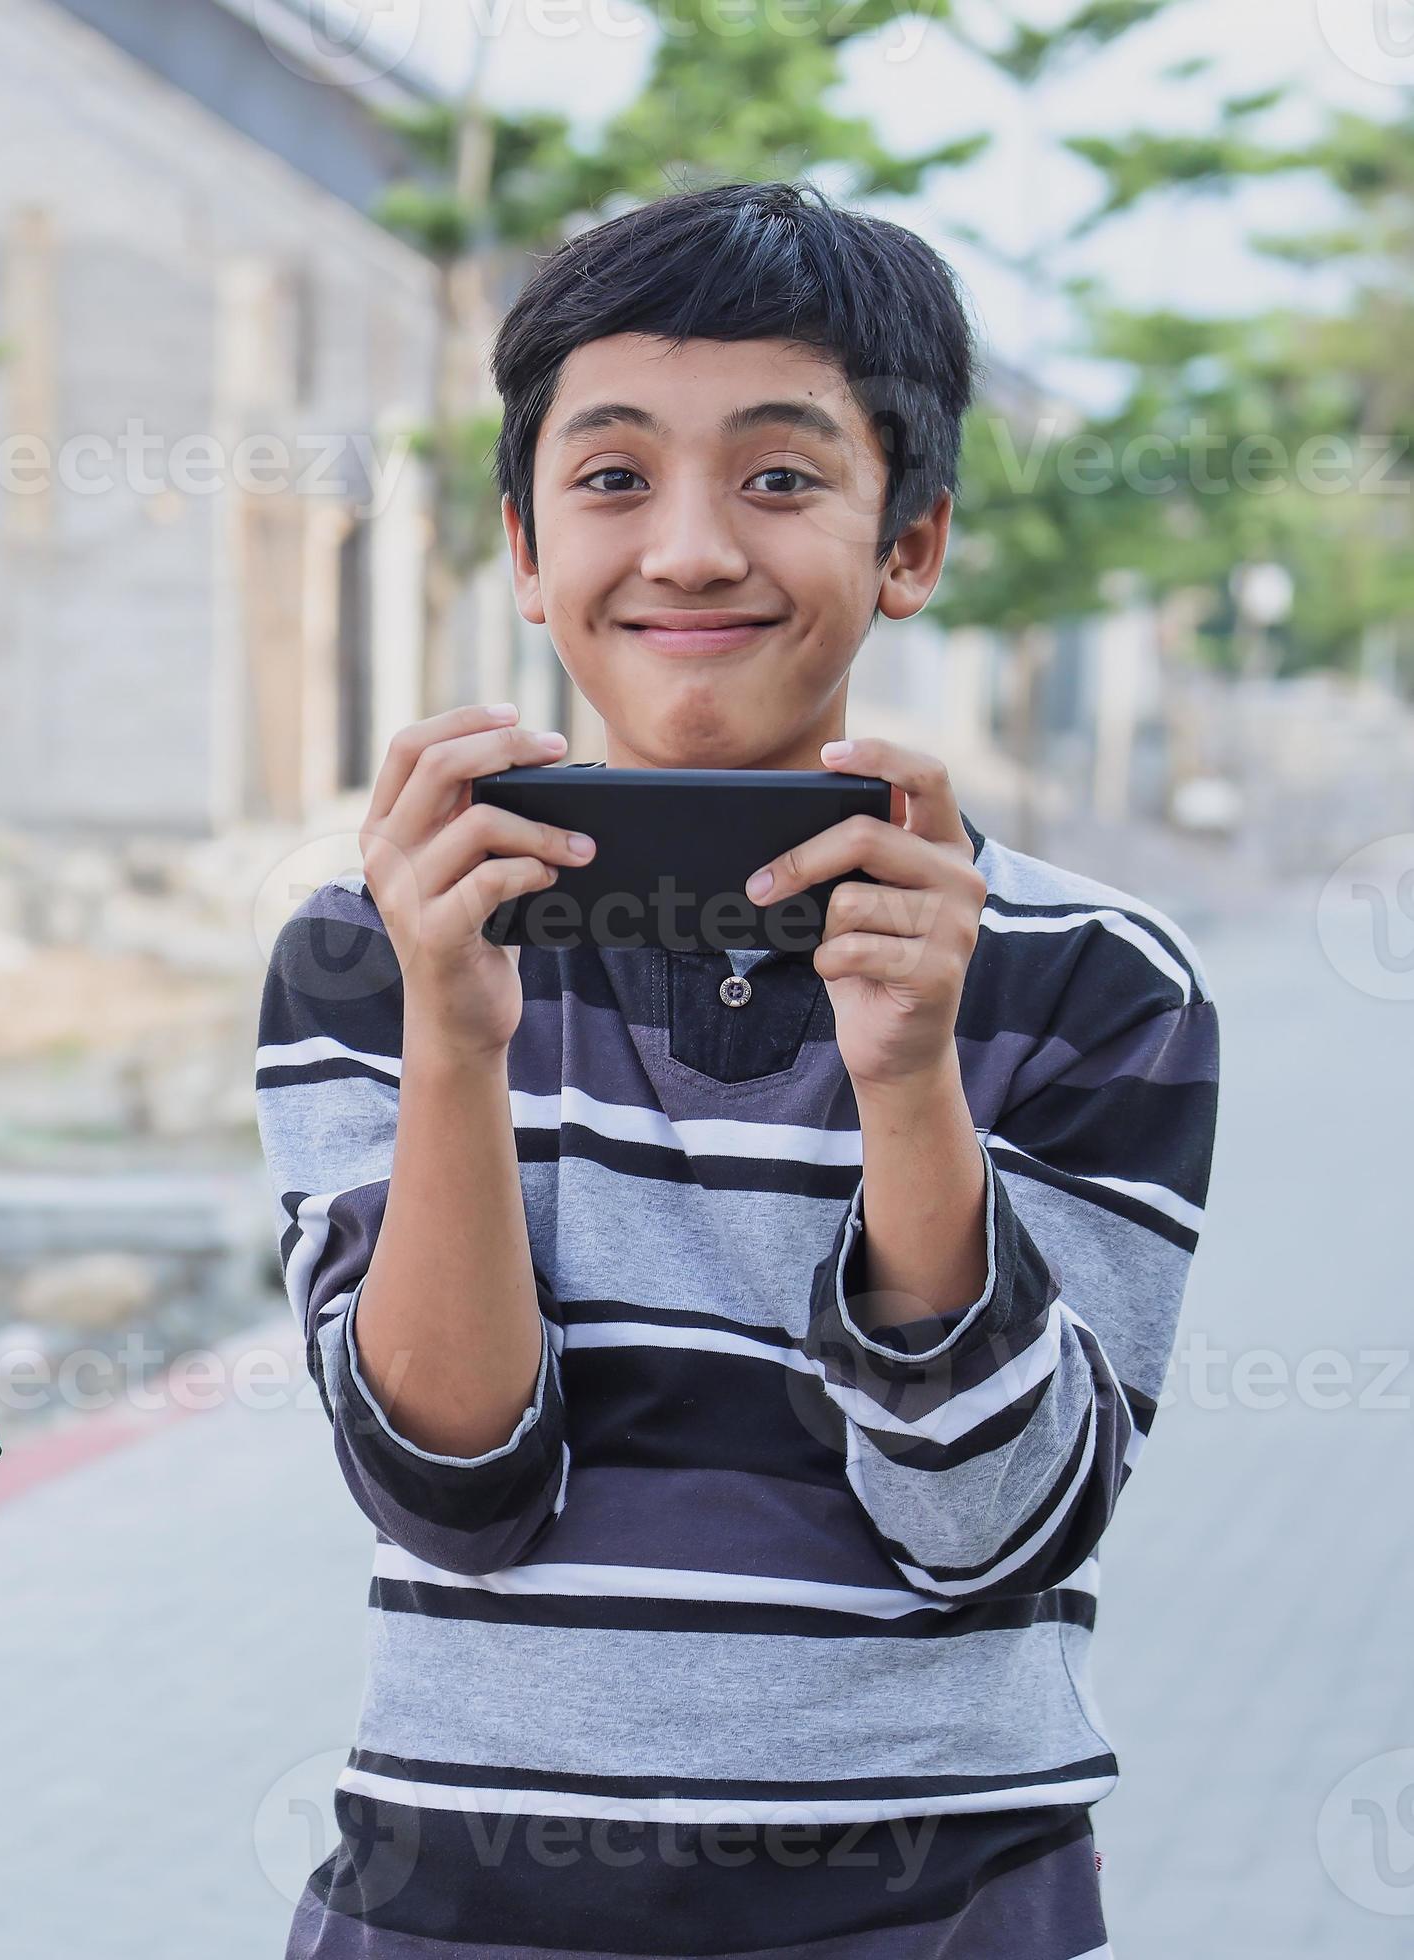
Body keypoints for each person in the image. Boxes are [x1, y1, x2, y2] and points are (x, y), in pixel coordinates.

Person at [254, 181, 1219, 1958]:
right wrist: (456, 1049)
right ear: (527, 551)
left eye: (781, 477)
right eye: (612, 477)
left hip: (942, 1903)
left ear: (910, 541)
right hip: (466, 1901)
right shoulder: (373, 944)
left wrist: (913, 1078)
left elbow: (991, 1527)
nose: (690, 548)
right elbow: (449, 1494)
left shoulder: (1092, 980)